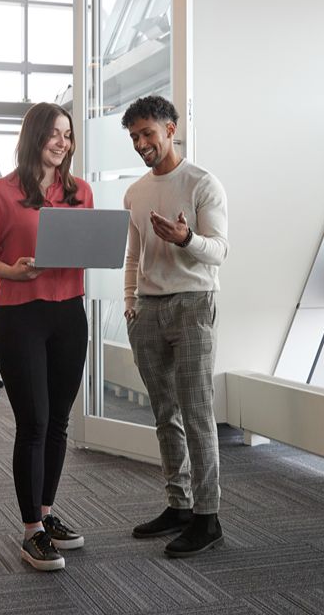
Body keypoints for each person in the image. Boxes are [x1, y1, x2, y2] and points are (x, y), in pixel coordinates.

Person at [0, 102, 92, 572]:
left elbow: (87, 246)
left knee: (59, 420)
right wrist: (13, 273)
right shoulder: (1, 193)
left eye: (68, 134)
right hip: (21, 314)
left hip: (70, 313)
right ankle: (30, 533)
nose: (62, 142)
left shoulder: (81, 192)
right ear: (34, 137)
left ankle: (45, 514)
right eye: (54, 134)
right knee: (35, 422)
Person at [121, 95, 229, 558]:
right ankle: (178, 505)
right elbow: (132, 254)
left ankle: (208, 517)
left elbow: (220, 250)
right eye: (134, 137)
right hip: (148, 308)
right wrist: (130, 301)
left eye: (148, 133)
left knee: (197, 414)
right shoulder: (136, 192)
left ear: (171, 128)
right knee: (165, 414)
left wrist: (187, 238)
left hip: (192, 304)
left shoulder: (203, 183)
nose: (142, 143)